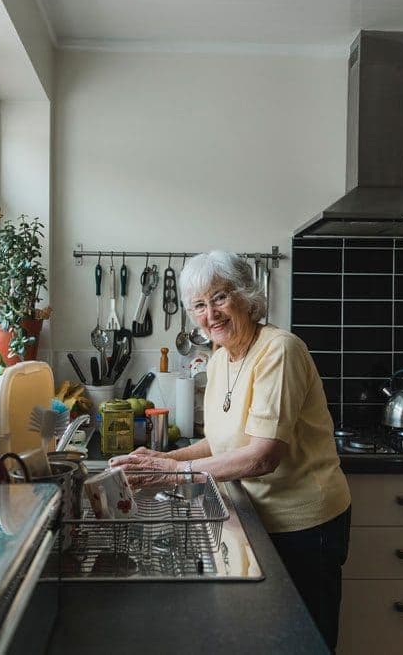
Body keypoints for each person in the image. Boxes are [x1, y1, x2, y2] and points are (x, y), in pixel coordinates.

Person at [110, 250, 351, 651]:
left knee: (304, 642)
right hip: (253, 514)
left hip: (304, 525)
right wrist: (165, 458)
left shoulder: (280, 350)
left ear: (247, 296)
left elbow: (261, 456)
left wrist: (172, 473)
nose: (211, 314)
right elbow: (223, 442)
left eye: (220, 297)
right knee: (263, 637)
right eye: (200, 306)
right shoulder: (221, 359)